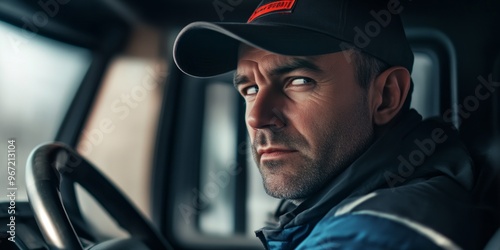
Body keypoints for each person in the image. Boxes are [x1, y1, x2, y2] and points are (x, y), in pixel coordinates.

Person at [173, 0, 491, 249]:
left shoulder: (374, 234)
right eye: (250, 89)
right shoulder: (357, 207)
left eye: (299, 80)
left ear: (386, 96)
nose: (257, 117)